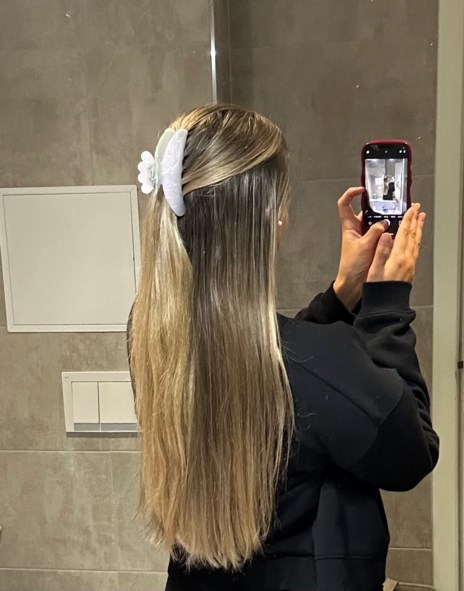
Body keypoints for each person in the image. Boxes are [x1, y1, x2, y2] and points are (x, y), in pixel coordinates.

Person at [127, 104, 439, 591]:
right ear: (268, 217)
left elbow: (265, 366)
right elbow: (410, 453)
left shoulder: (150, 334)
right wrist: (386, 305)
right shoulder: (321, 361)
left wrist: (341, 296)